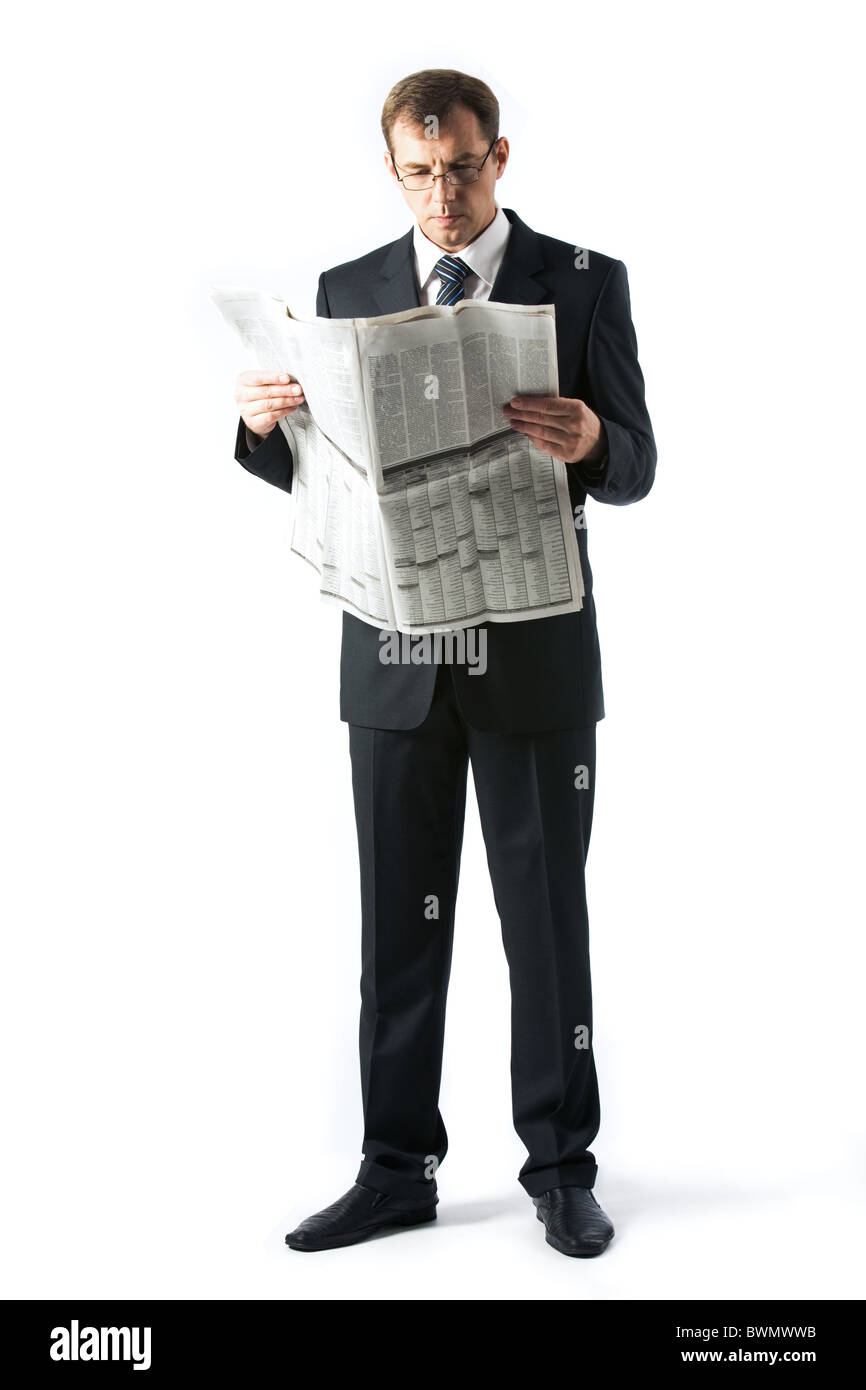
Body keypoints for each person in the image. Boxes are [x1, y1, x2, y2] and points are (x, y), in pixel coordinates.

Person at [232, 68, 656, 1257]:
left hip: (531, 656)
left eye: (462, 168)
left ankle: (561, 1169)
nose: (443, 195)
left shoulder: (578, 283)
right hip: (393, 659)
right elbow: (317, 473)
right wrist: (263, 428)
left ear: (499, 157)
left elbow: (637, 463)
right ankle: (394, 1167)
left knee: (544, 927)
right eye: (419, 173)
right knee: (397, 928)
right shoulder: (345, 290)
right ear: (391, 168)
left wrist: (591, 439)